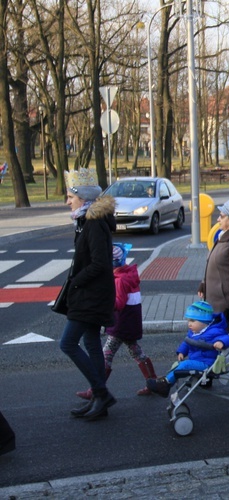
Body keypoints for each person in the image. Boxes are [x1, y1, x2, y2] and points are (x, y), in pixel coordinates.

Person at [61, 168, 118, 421]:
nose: (67, 202)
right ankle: (99, 400)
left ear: (82, 198)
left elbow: (100, 264)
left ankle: (101, 393)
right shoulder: (86, 220)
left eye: (70, 197)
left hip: (91, 295)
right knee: (92, 343)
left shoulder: (93, 223)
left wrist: (75, 282)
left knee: (68, 343)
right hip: (93, 293)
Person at [75, 243, 156, 400]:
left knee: (106, 355)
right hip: (129, 322)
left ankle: (95, 390)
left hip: (121, 323)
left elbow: (117, 303)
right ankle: (153, 382)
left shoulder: (119, 281)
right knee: (136, 352)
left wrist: (102, 303)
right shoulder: (128, 274)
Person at [146, 301, 229, 397]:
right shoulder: (195, 331)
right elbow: (187, 342)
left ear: (204, 322)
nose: (189, 324)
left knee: (185, 365)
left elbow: (227, 337)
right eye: (188, 321)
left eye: (192, 321)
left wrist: (221, 342)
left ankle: (165, 383)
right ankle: (166, 383)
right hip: (197, 360)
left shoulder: (214, 331)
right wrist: (182, 351)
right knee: (178, 365)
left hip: (207, 363)